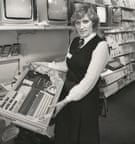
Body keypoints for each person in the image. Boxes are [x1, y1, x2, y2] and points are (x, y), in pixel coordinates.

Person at [33, 4, 109, 144]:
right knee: (65, 132)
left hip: (84, 100)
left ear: (94, 22)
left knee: (82, 135)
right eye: (78, 22)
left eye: (85, 21)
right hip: (67, 94)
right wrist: (47, 65)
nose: (81, 26)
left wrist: (64, 101)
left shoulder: (101, 46)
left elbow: (88, 82)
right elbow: (67, 65)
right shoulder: (75, 41)